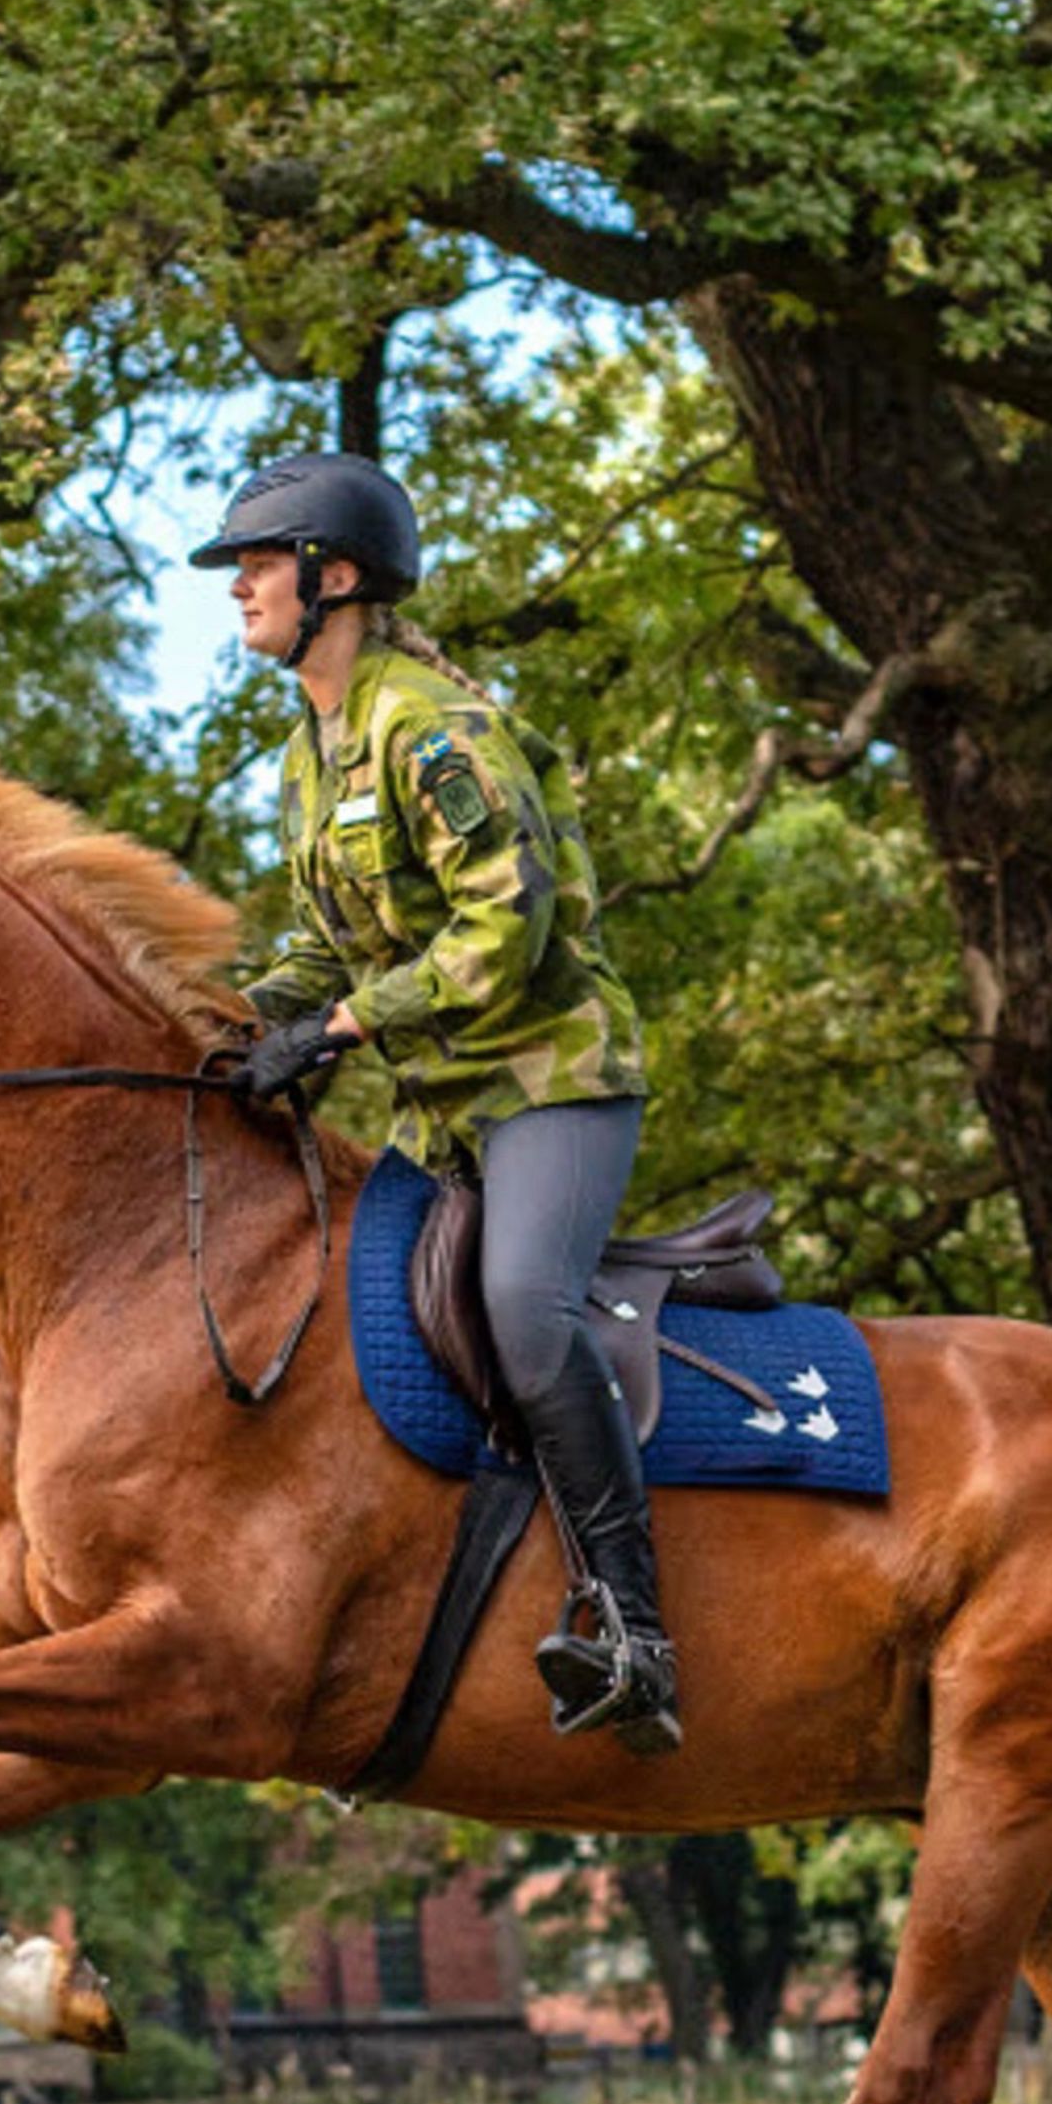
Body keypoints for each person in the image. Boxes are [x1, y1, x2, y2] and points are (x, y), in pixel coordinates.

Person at [193, 451, 678, 1752]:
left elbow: (504, 929)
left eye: (258, 563)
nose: (237, 586)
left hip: (549, 1084)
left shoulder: (433, 730)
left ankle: (635, 1628)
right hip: (440, 1114)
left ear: (335, 577)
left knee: (524, 1311)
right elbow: (324, 949)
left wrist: (340, 1027)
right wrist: (224, 1024)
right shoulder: (308, 756)